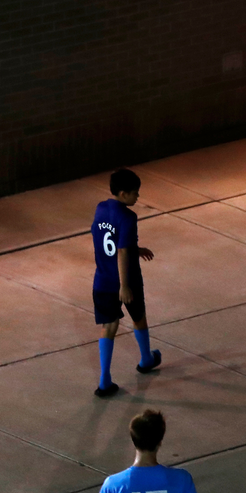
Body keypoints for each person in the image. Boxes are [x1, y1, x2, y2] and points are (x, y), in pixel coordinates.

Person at [91, 168, 161, 399]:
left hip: (101, 280)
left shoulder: (100, 209)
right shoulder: (128, 217)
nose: (138, 197)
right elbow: (121, 250)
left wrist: (136, 249)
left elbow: (108, 242)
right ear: (123, 194)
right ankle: (146, 359)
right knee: (138, 316)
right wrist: (124, 285)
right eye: (135, 193)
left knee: (109, 327)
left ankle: (104, 380)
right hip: (126, 280)